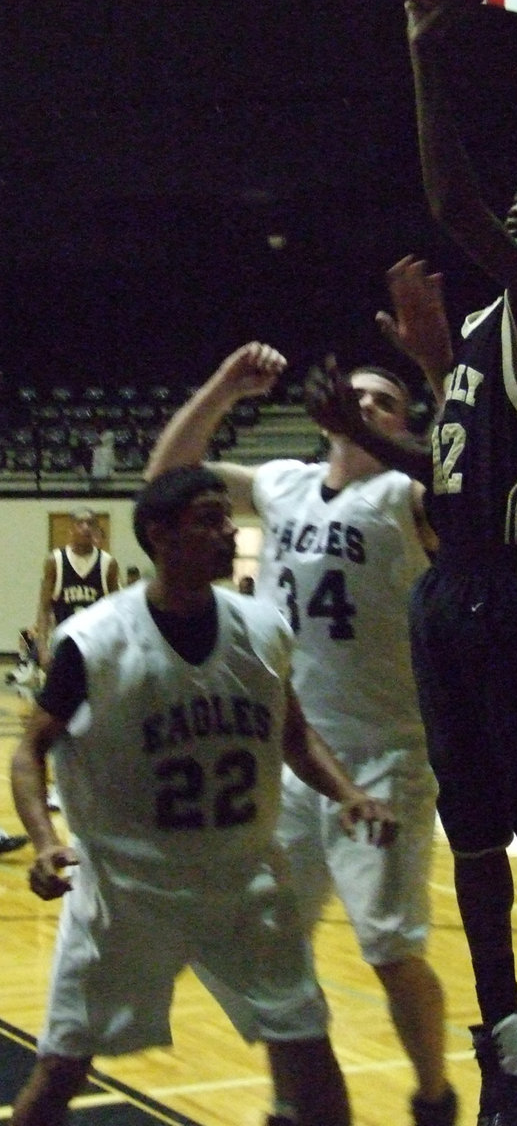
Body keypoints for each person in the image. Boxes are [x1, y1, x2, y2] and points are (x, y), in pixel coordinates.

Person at [302, 0, 517, 1126]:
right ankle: (509, 1038)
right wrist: (402, 390)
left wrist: (421, 46)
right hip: (456, 590)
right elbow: (447, 471)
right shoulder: (492, 329)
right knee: (477, 833)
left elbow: (452, 200)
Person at [9, 464, 398, 1126]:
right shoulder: (95, 640)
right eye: (209, 520)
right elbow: (28, 752)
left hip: (242, 882)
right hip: (128, 891)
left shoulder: (263, 629)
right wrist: (46, 844)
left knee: (307, 1046)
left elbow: (296, 740)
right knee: (61, 1069)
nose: (228, 532)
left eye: (228, 517)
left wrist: (348, 794)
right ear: (161, 535)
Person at [146, 343, 457, 1126]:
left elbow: (477, 480)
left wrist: (434, 367)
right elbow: (166, 483)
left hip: (383, 753)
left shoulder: (405, 495)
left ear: (403, 424)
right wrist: (221, 387)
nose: (364, 407)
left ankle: (433, 1094)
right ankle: (303, 1093)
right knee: (256, 940)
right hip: (285, 755)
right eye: (353, 395)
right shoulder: (283, 484)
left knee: (388, 949)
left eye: (383, 401)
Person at [35, 507, 121, 671]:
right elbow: (44, 608)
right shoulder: (55, 561)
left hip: (97, 648)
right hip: (63, 646)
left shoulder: (108, 564)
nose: (85, 527)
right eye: (80, 523)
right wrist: (42, 649)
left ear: (96, 530)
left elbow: (117, 611)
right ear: (70, 529)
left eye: (90, 523)